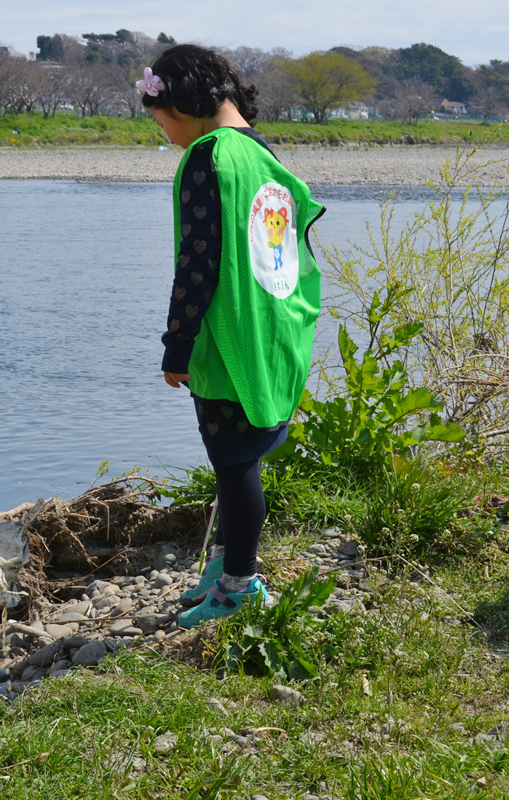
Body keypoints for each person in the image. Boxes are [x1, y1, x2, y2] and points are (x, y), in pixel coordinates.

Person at [138, 46, 325, 628]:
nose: (162, 129)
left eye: (160, 115)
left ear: (182, 102)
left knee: (235, 460)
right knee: (240, 456)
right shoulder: (260, 153)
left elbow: (198, 262)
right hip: (272, 327)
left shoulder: (207, 156)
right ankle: (222, 568)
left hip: (227, 333)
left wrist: (177, 343)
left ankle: (242, 583)